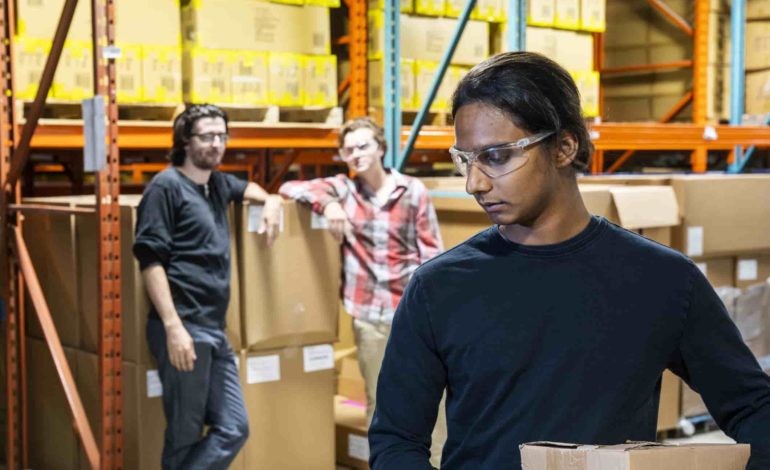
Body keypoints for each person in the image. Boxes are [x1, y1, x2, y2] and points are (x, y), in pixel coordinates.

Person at [368, 52, 770, 469]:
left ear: (563, 147)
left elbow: (753, 407)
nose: (474, 183)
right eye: (465, 160)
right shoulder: (439, 288)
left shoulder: (663, 280)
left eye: (496, 156)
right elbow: (396, 441)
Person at [279, 117, 445, 462]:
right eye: (349, 149)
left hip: (411, 314)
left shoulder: (412, 191)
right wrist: (329, 204)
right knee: (379, 403)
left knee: (428, 398)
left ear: (381, 149)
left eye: (363, 146)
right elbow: (290, 189)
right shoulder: (344, 190)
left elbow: (432, 255)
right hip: (369, 316)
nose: (356, 153)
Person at [133, 104, 283, 470]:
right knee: (184, 435)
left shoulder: (217, 184)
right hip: (184, 327)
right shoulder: (165, 187)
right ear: (185, 140)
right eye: (207, 136)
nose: (216, 144)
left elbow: (250, 188)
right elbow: (150, 261)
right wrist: (173, 328)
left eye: (222, 136)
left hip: (214, 329)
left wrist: (273, 200)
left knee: (234, 427)